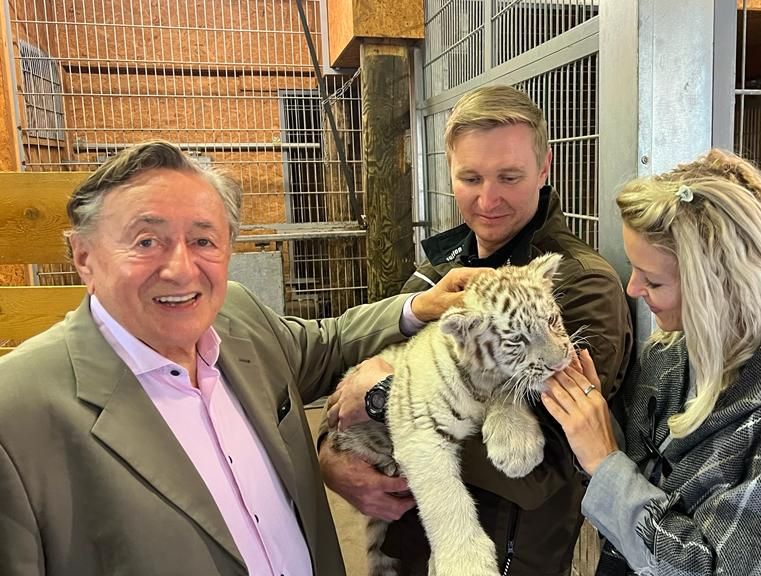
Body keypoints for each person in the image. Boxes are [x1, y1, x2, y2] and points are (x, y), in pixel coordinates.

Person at [0, 140, 478, 576]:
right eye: (147, 241)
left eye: (203, 240)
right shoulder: (16, 414)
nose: (180, 268)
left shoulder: (237, 314)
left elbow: (326, 344)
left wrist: (420, 306)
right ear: (83, 256)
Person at [318, 85, 634, 575]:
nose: (488, 200)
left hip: (505, 554)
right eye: (470, 177)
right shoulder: (435, 273)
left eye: (509, 176)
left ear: (544, 168)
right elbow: (355, 380)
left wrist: (387, 402)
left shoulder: (577, 283)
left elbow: (546, 456)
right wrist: (332, 460)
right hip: (408, 547)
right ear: (449, 171)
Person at [542, 149, 761, 575]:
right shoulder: (669, 355)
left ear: (718, 287)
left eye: (652, 279)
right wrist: (594, 426)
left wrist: (603, 461)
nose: (633, 289)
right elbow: (640, 477)